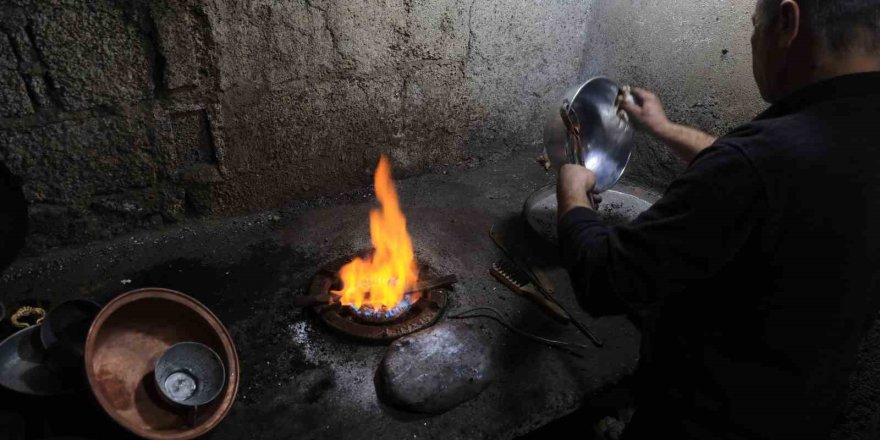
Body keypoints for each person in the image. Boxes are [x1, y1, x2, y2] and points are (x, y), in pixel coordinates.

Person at [556, 0, 880, 438]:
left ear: (787, 22)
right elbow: (764, 177)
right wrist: (663, 127)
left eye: (754, 26)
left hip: (704, 420)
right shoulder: (850, 130)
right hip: (807, 411)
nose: (752, 41)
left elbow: (606, 277)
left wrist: (573, 193)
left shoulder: (757, 163)